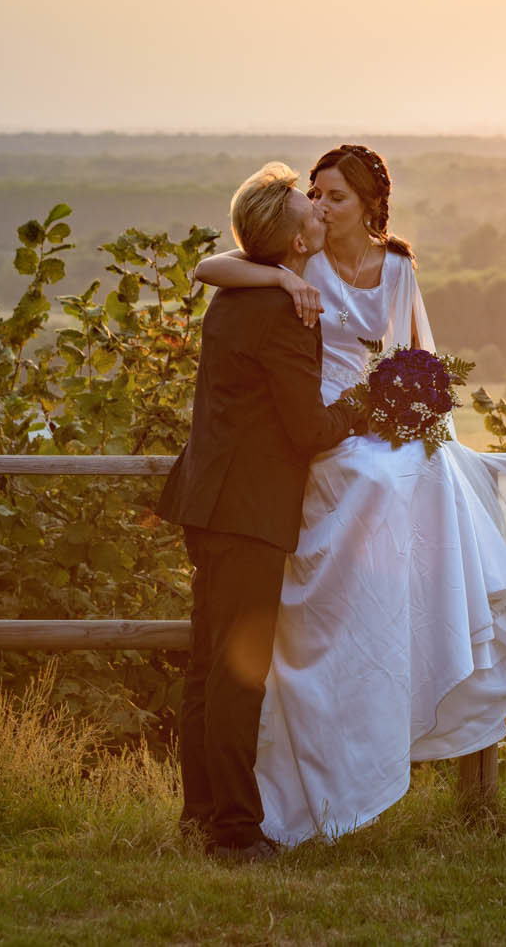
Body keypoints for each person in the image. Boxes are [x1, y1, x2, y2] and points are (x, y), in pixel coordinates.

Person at [192, 143, 506, 848]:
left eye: (333, 197)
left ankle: (428, 615)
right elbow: (214, 264)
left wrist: (415, 413)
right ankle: (354, 652)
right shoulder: (297, 263)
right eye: (314, 196)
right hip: (319, 419)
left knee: (431, 471)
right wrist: (288, 287)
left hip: (364, 411)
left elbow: (417, 356)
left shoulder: (398, 267)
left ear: (368, 206)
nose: (320, 207)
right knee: (371, 479)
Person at [155, 163, 363, 863]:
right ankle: (236, 833)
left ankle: (200, 815)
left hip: (206, 501)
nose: (320, 211)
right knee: (236, 672)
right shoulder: (283, 309)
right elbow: (308, 430)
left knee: (207, 665)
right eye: (311, 209)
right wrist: (366, 405)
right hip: (246, 510)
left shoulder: (241, 292)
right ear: (295, 243)